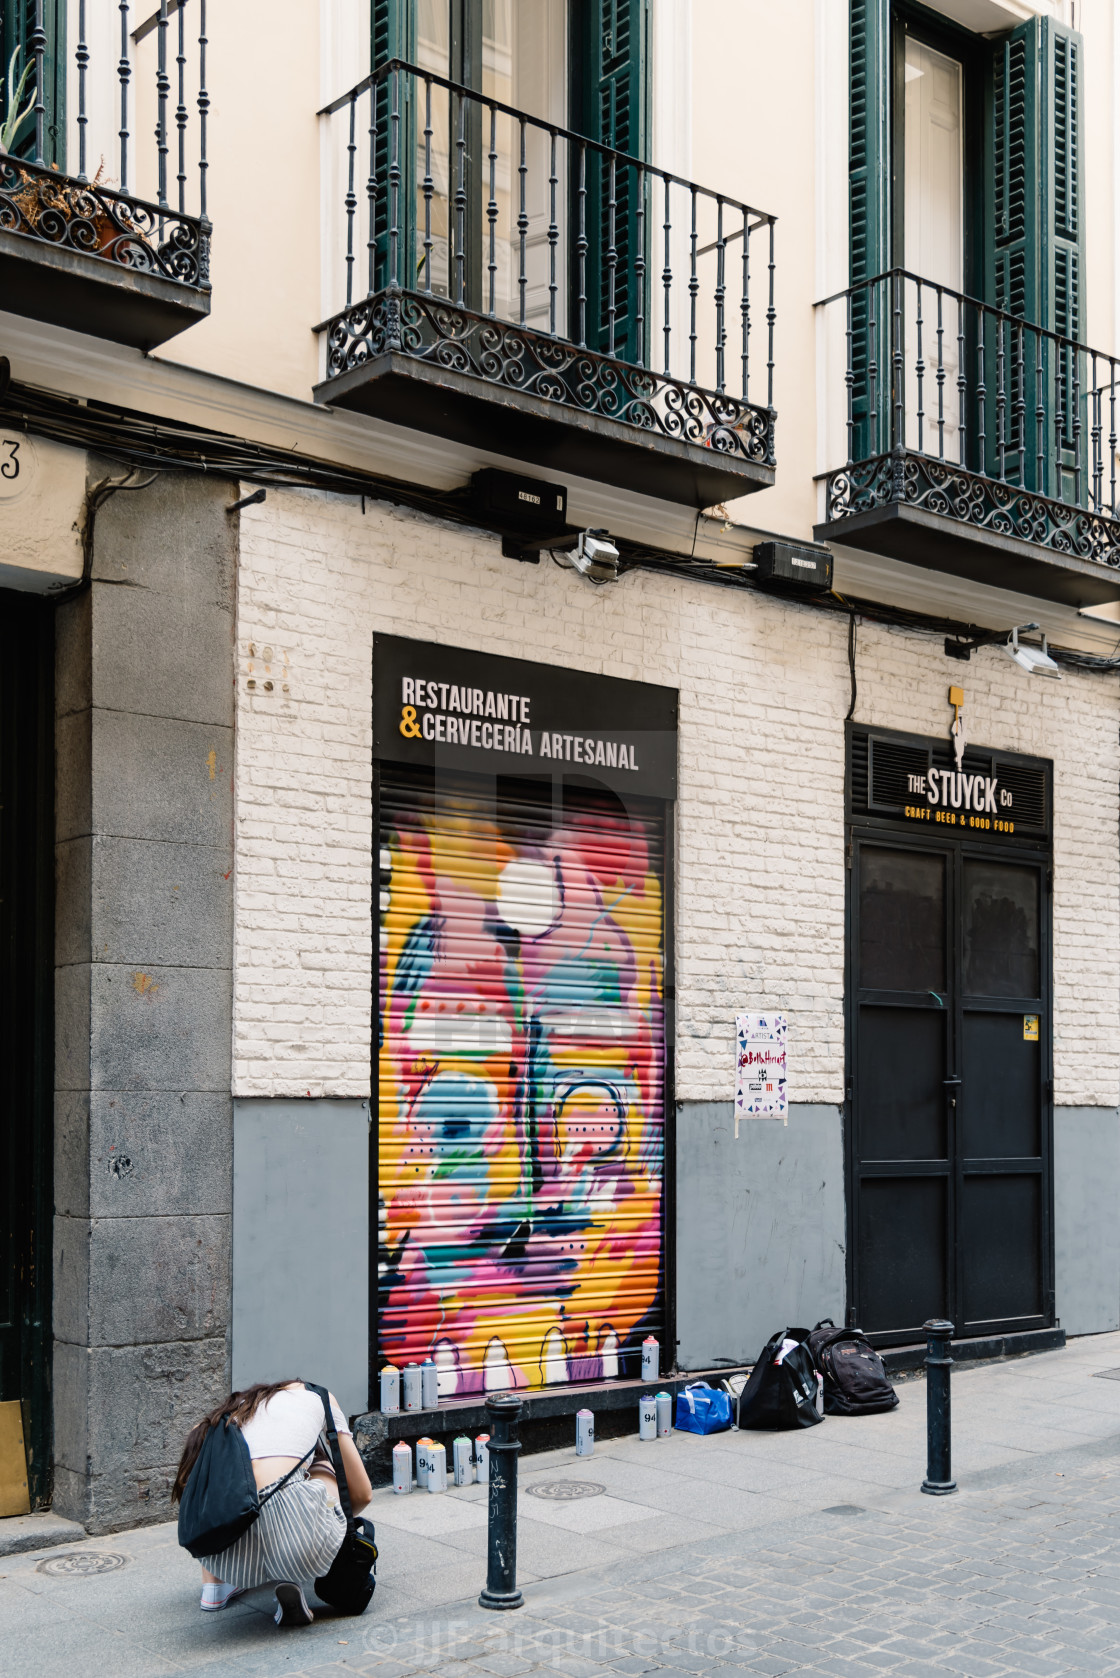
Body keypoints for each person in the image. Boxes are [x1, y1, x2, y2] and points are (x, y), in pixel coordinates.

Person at [172, 1379, 373, 1627]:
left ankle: (213, 1589)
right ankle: (289, 1574)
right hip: (301, 1548)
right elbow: (363, 1494)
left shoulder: (224, 1418)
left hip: (222, 1555)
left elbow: (192, 1495)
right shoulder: (319, 1396)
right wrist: (330, 1528)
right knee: (320, 1465)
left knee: (223, 1485)